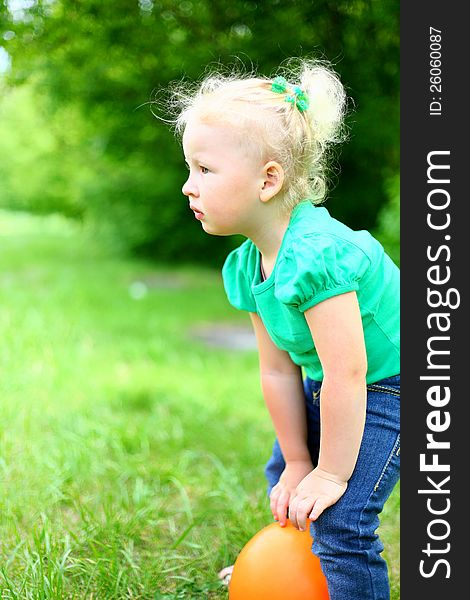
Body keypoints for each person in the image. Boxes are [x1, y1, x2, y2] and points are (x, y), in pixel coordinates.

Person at [163, 58, 400, 600]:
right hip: (337, 383)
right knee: (286, 476)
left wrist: (331, 473)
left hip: (394, 385)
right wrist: (299, 461)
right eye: (189, 168)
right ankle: (282, 570)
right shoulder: (248, 267)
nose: (187, 186)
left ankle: (342, 568)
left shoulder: (318, 255)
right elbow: (277, 369)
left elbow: (349, 371)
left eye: (204, 170)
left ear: (268, 180)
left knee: (339, 516)